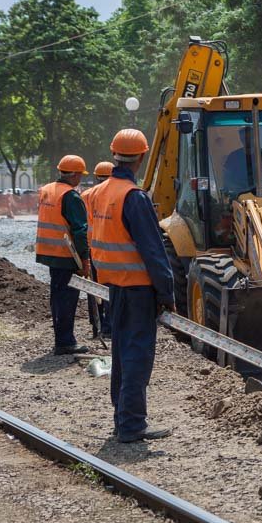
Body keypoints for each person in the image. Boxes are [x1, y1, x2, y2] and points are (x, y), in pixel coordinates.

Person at [89, 129, 175, 444]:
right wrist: (167, 294)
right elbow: (154, 252)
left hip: (114, 287)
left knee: (123, 354)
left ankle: (122, 418)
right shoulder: (133, 197)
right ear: (141, 157)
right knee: (138, 355)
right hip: (139, 289)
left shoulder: (99, 192)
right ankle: (131, 424)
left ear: (114, 154)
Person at [35, 155, 91, 356]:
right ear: (75, 175)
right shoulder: (71, 196)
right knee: (67, 297)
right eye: (80, 176)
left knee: (58, 296)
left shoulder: (47, 190)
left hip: (49, 252)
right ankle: (65, 342)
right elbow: (79, 230)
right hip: (66, 255)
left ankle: (62, 338)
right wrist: (85, 260)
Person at [81, 161, 115, 338]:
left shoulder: (85, 195)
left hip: (90, 248)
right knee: (108, 287)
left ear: (95, 177)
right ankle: (109, 327)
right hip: (108, 250)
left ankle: (96, 325)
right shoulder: (113, 195)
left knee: (93, 287)